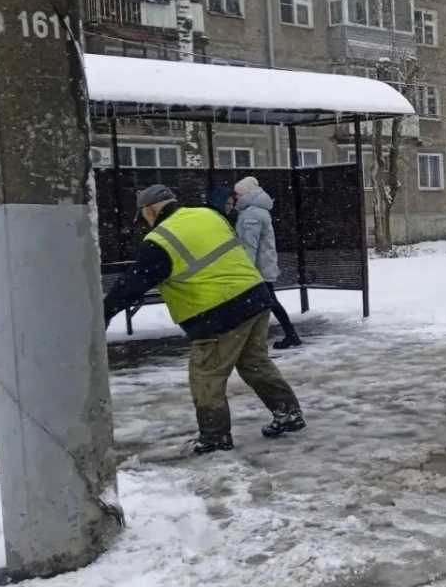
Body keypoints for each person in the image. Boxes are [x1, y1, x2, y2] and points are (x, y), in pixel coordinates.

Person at [103, 184, 306, 454]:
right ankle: (288, 413)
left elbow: (131, 285)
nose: (144, 222)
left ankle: (214, 437)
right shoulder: (208, 215)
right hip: (255, 299)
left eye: (143, 216)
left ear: (150, 210)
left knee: (206, 375)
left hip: (219, 314)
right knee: (255, 363)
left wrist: (103, 313)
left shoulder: (160, 240)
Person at [232, 176, 301, 349]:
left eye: (238, 194)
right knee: (269, 301)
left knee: (268, 301)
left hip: (258, 268)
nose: (236, 198)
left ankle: (289, 334)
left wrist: (245, 269)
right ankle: (290, 334)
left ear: (246, 194)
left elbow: (250, 244)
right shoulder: (256, 211)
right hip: (262, 265)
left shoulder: (252, 213)